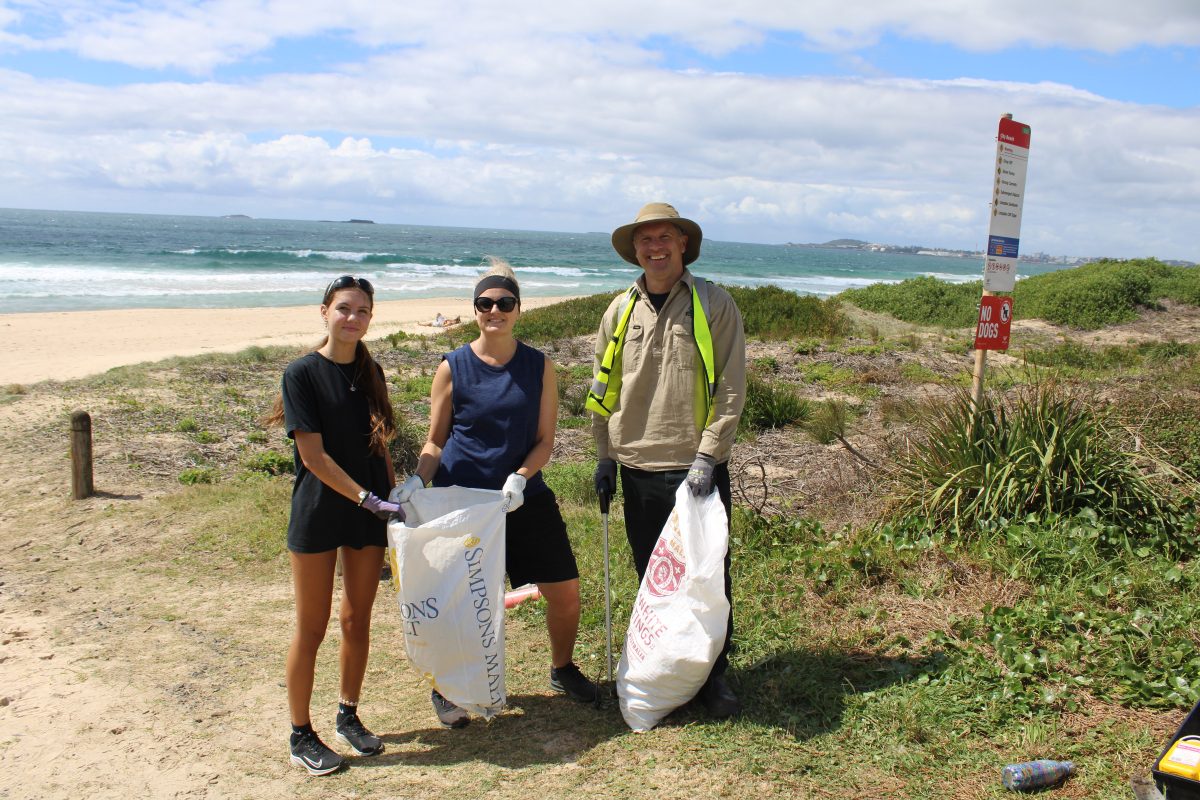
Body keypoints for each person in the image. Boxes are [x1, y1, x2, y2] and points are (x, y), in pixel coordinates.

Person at [397, 257, 600, 728]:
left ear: (518, 309)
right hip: (461, 502)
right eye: (485, 303)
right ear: (474, 311)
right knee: (455, 601)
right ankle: (445, 688)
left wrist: (521, 478)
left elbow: (546, 440)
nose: (495, 311)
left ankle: (563, 668)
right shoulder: (453, 367)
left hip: (521, 497)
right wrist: (417, 481)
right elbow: (436, 440)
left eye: (504, 303)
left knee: (564, 590)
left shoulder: (539, 366)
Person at [588, 202, 747, 719]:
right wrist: (604, 456)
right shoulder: (619, 309)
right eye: (645, 240)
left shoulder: (714, 303)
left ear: (682, 245)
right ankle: (662, 666)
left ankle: (712, 677)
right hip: (635, 466)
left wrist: (707, 457)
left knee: (706, 578)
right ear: (635, 250)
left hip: (694, 469)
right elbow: (602, 389)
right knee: (651, 578)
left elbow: (730, 386)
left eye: (664, 238)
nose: (654, 248)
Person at [267, 275, 402, 775]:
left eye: (363, 311)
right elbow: (314, 457)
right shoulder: (301, 373)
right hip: (321, 512)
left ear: (371, 318)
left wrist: (392, 496)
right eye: (344, 308)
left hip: (369, 512)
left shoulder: (372, 372)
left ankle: (348, 713)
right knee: (312, 626)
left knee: (356, 619)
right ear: (324, 311)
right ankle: (300, 733)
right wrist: (369, 499)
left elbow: (379, 442)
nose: (353, 318)